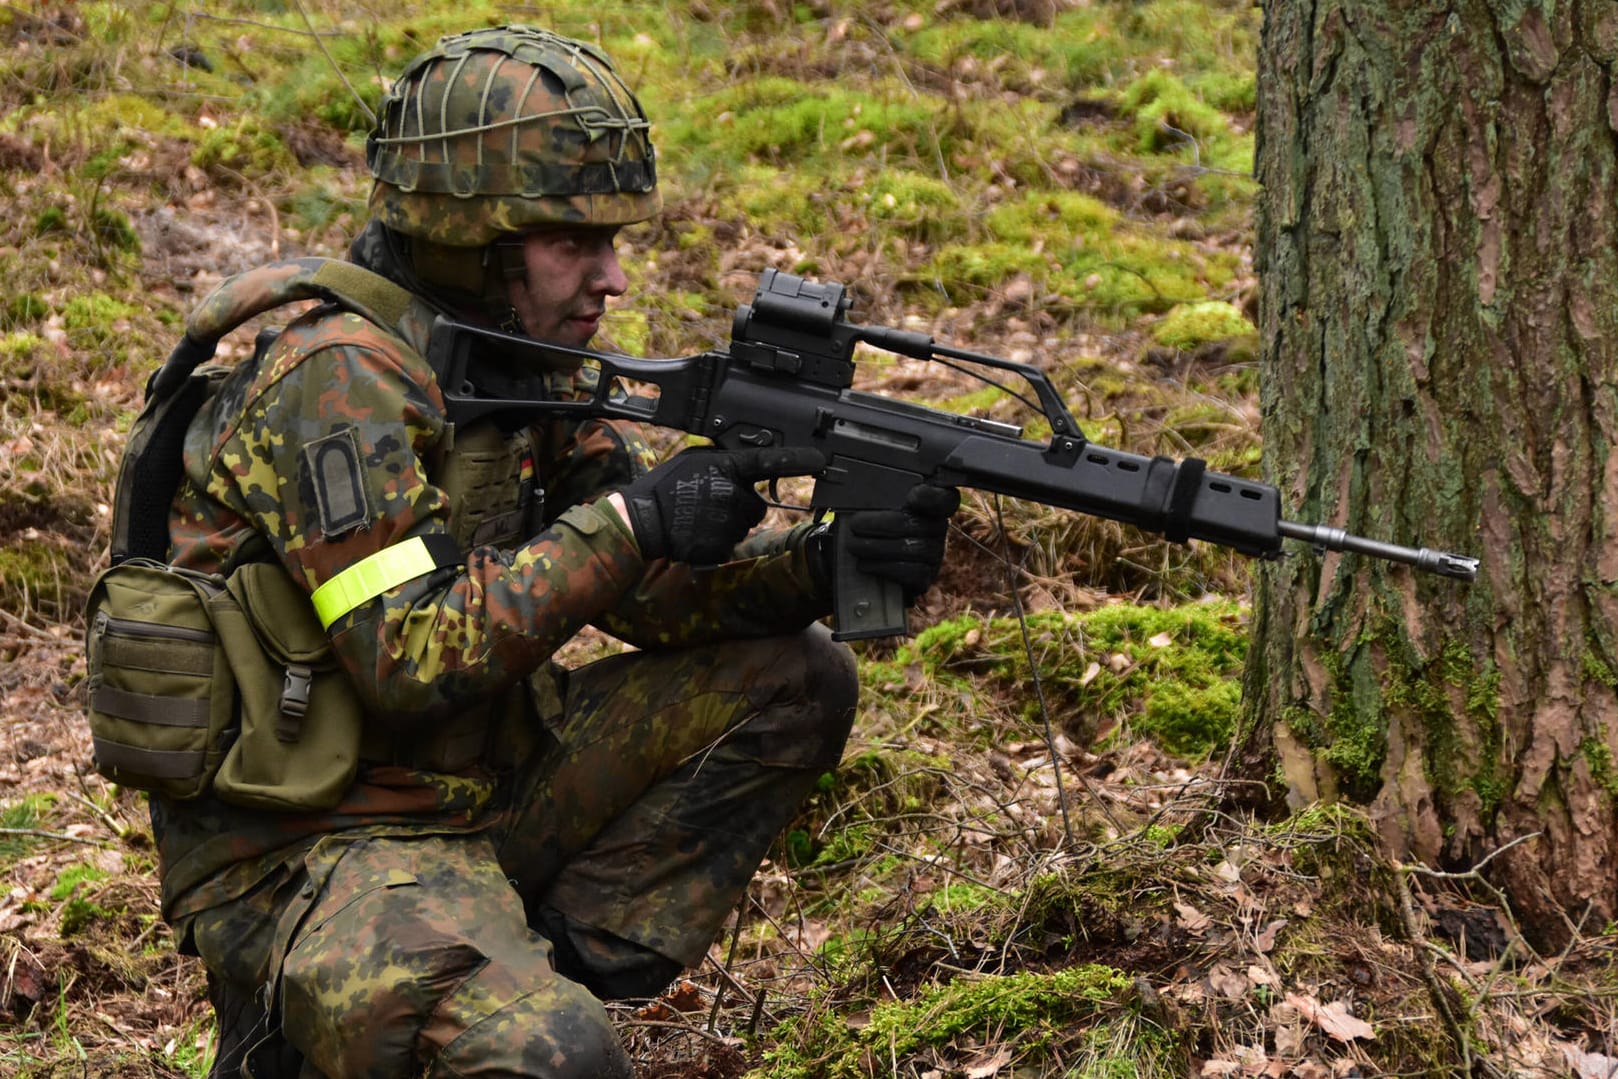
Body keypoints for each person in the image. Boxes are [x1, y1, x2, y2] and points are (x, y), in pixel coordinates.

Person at [150, 25, 957, 1079]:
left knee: (796, 677)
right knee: (556, 1058)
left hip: (467, 798)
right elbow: (407, 656)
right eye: (573, 242)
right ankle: (342, 1023)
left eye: (613, 240)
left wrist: (816, 559)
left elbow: (646, 592)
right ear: (472, 236)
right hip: (301, 847)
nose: (611, 276)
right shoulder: (335, 380)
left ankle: (494, 970)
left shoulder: (517, 363)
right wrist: (631, 524)